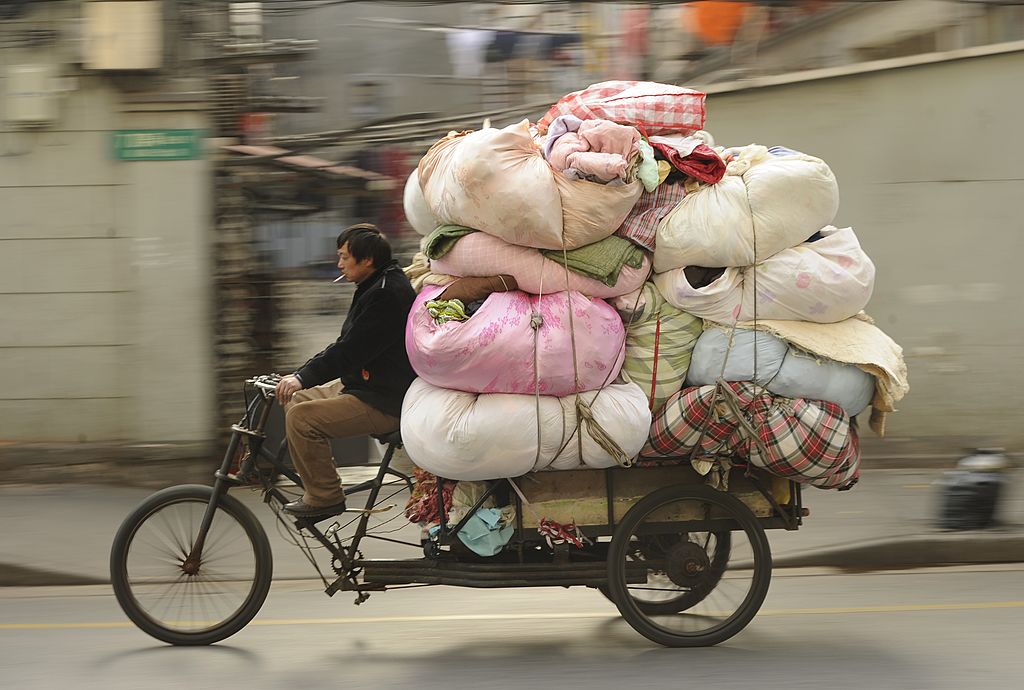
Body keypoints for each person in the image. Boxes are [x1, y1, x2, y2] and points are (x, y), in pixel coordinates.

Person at [275, 223, 417, 518]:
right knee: (297, 400)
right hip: (365, 384)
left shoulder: (385, 294)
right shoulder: (375, 284)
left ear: (366, 260)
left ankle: (325, 496)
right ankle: (316, 481)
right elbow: (345, 345)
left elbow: (350, 351)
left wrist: (302, 377)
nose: (339, 264)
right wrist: (299, 378)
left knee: (303, 420)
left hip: (383, 399)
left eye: (344, 257)